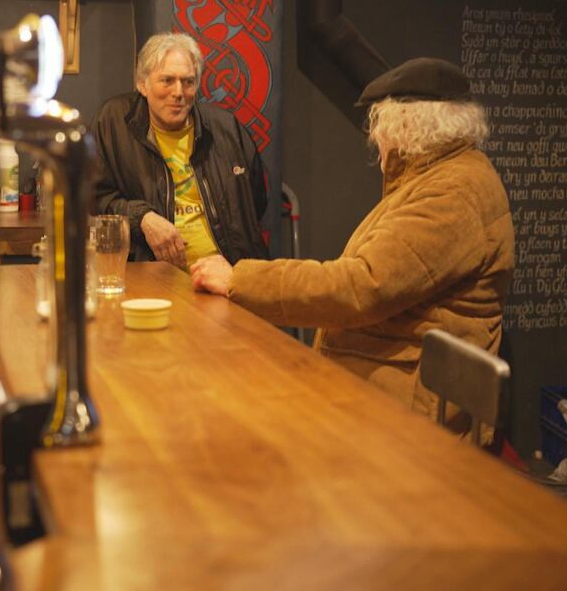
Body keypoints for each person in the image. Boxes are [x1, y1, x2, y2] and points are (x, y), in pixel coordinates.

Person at [191, 57, 515, 428]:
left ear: (408, 126)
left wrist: (239, 280)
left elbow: (360, 287)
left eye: (381, 126)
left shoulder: (451, 193)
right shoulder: (443, 178)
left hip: (405, 408)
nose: (377, 139)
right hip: (390, 382)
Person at [94, 33, 268, 268]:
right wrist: (141, 218)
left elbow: (256, 200)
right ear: (142, 84)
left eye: (187, 81)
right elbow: (93, 199)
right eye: (167, 80)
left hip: (229, 274)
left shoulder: (226, 129)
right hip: (152, 274)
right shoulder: (113, 122)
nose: (178, 92)